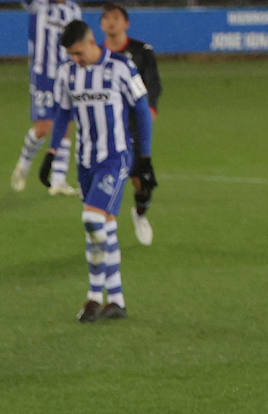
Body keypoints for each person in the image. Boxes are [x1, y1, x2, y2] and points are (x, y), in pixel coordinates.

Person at [49, 19, 155, 322]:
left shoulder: (121, 66)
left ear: (91, 42)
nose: (75, 60)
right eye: (71, 55)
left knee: (92, 219)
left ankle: (96, 295)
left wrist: (144, 157)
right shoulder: (67, 74)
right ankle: (113, 299)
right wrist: (52, 153)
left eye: (79, 53)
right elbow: (62, 115)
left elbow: (141, 110)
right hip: (85, 162)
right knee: (101, 226)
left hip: (115, 158)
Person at [100, 2, 162, 246]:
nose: (111, 22)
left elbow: (153, 83)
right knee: (107, 177)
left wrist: (151, 108)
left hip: (135, 122)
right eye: (106, 18)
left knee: (141, 180)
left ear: (126, 23)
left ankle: (140, 213)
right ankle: (102, 227)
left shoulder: (142, 51)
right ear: (101, 24)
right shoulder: (96, 53)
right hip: (107, 125)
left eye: (116, 17)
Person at [12, 0, 82, 196]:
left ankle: (58, 181)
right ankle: (23, 164)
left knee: (66, 124)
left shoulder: (73, 10)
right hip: (43, 75)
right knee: (43, 127)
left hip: (66, 75)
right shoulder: (38, 5)